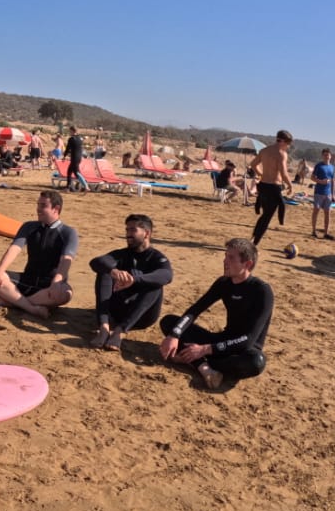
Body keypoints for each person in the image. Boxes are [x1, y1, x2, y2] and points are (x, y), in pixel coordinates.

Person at [159, 237, 272, 390]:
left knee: (256, 362)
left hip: (241, 351)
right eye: (225, 256)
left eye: (231, 258)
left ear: (248, 264)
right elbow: (194, 310)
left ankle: (195, 360)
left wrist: (204, 349)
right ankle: (203, 367)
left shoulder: (262, 291)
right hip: (220, 343)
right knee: (169, 322)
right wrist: (175, 335)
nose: (225, 261)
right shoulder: (224, 283)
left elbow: (248, 340)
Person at [0, 190, 77, 319]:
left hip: (48, 286)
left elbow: (66, 260)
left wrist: (56, 283)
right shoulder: (29, 226)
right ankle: (31, 308)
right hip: (27, 280)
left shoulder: (68, 232)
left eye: (43, 205)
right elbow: (14, 248)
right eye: (38, 204)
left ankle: (13, 301)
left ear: (56, 209)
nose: (38, 209)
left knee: (66, 293)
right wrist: (0, 271)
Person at [87, 214, 173, 352]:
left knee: (155, 285)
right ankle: (103, 327)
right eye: (127, 230)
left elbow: (167, 276)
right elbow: (96, 262)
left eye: (133, 230)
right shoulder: (122, 254)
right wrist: (113, 271)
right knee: (105, 271)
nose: (128, 234)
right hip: (117, 311)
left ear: (146, 233)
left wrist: (134, 280)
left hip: (142, 317)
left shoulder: (157, 257)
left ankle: (120, 331)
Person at [247, 130, 294, 245]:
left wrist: (261, 174)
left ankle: (253, 238)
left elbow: (253, 165)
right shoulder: (281, 153)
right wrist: (290, 185)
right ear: (283, 141)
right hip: (273, 187)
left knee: (264, 215)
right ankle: (254, 243)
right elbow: (283, 173)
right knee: (267, 217)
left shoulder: (264, 151)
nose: (288, 146)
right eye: (288, 144)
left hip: (263, 186)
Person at [311, 149, 335, 239]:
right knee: (316, 211)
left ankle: (326, 233)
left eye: (328, 155)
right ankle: (313, 231)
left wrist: (334, 195)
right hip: (318, 192)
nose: (327, 156)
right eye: (325, 155)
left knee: (327, 213)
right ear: (322, 156)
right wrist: (320, 181)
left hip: (328, 194)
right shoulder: (319, 166)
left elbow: (333, 181)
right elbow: (312, 177)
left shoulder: (332, 167)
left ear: (330, 156)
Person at [65, 126, 89, 193]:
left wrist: (64, 156)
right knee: (69, 172)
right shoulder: (80, 138)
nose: (69, 132)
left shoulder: (71, 139)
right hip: (79, 157)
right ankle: (67, 188)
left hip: (74, 157)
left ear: (72, 131)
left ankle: (86, 186)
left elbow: (67, 149)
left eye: (70, 131)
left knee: (76, 173)